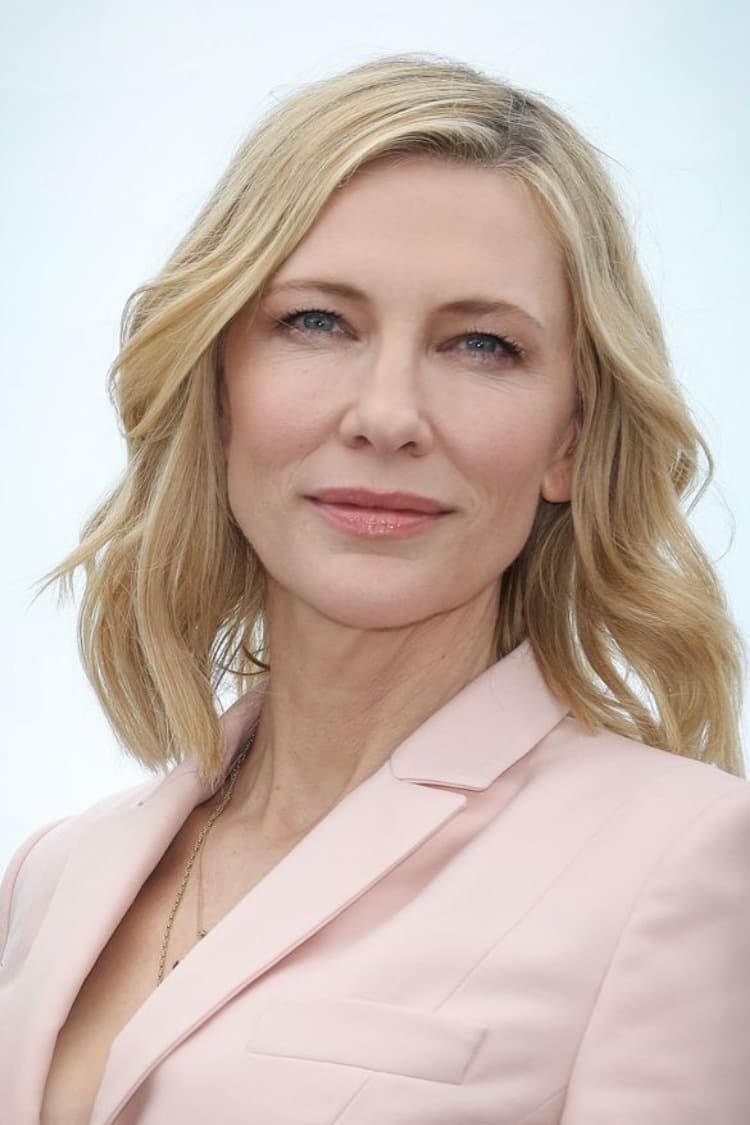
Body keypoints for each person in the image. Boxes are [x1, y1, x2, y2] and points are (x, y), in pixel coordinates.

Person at [1, 51, 748, 1125]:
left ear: (570, 441)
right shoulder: (52, 874)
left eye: (482, 344)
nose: (387, 414)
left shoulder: (682, 861)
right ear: (219, 388)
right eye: (318, 322)